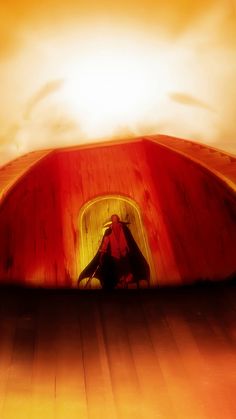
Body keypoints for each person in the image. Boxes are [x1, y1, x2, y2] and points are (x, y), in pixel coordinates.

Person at [78, 214, 150, 290]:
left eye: (115, 219)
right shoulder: (108, 231)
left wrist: (130, 250)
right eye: (113, 219)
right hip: (114, 256)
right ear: (112, 221)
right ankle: (117, 284)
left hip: (125, 254)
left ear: (118, 220)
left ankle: (126, 282)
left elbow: (130, 240)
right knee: (116, 272)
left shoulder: (124, 229)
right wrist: (102, 253)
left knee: (127, 271)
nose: (114, 221)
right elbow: (105, 243)